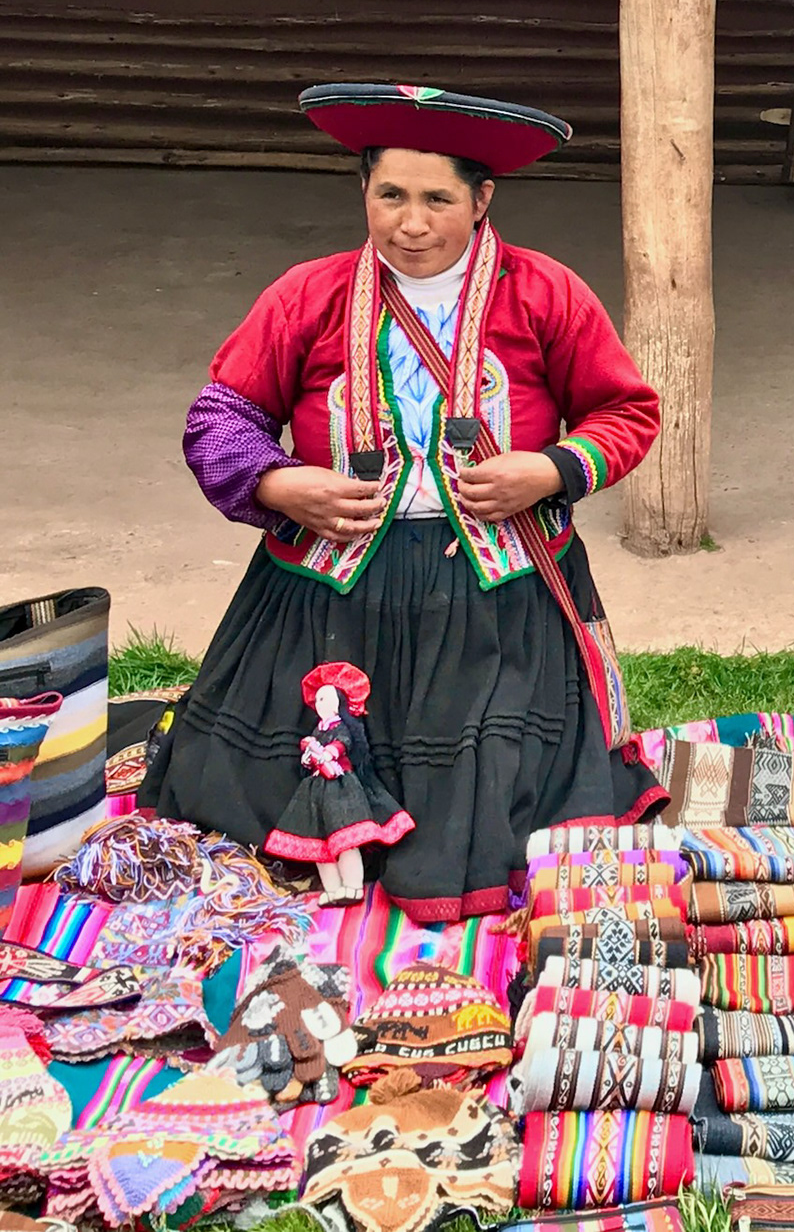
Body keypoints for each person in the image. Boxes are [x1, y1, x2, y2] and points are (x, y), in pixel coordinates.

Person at [141, 84, 664, 921]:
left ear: (482, 200)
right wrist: (279, 482)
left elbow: (626, 411)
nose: (411, 223)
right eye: (390, 195)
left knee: (497, 788)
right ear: (363, 191)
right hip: (328, 591)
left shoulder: (545, 293)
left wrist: (551, 469)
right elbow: (221, 418)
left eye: (437, 200)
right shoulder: (307, 295)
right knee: (259, 780)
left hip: (498, 592)